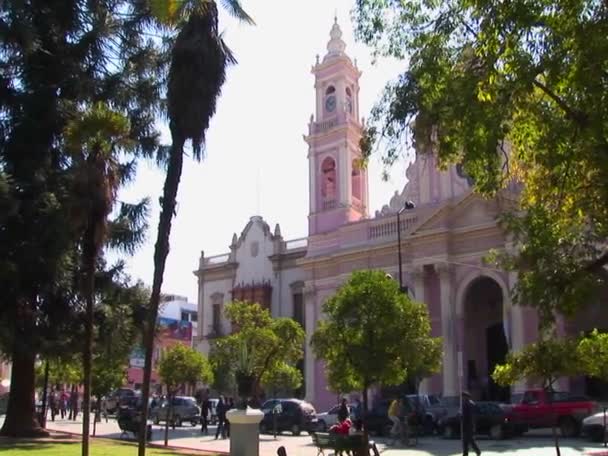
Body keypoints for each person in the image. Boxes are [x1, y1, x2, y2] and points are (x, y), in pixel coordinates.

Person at [461, 391, 481, 456]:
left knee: (469, 441)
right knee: (467, 441)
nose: (462, 398)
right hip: (470, 425)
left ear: (466, 397)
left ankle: (477, 451)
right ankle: (466, 454)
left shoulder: (466, 404)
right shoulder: (472, 404)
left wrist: (461, 416)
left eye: (463, 397)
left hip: (467, 425)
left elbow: (467, 416)